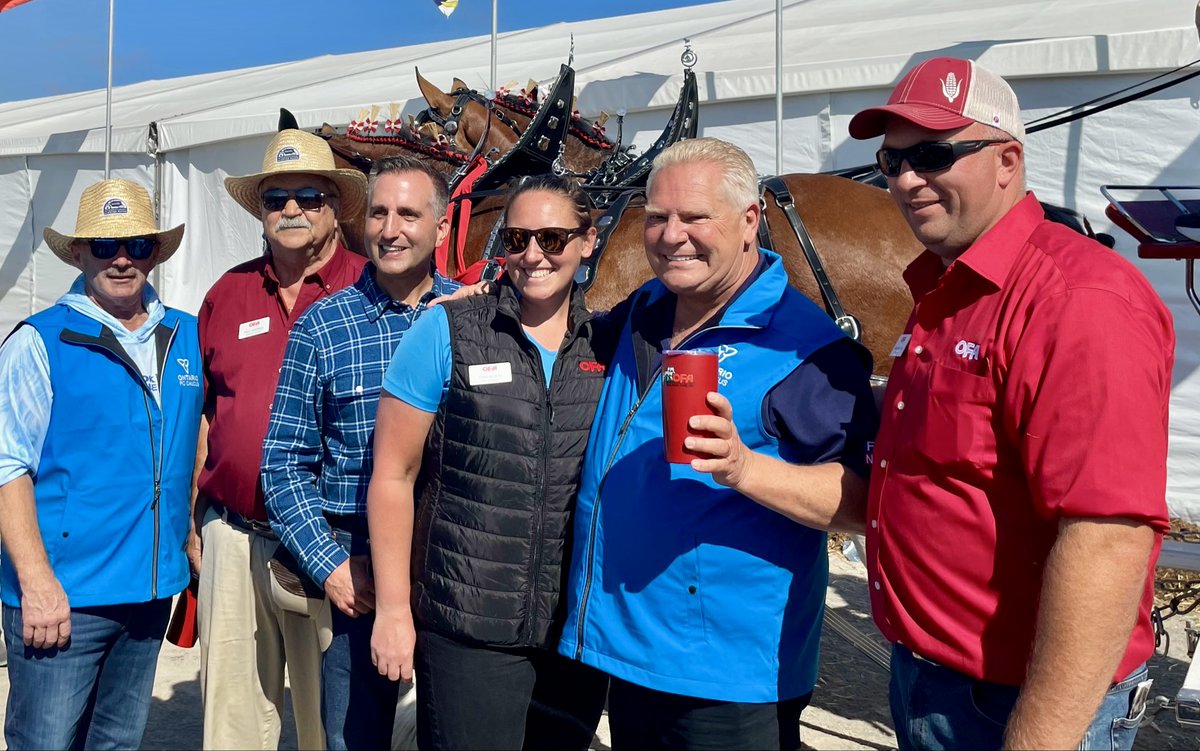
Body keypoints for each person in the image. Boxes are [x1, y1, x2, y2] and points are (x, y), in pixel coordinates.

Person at [687, 58, 1174, 751]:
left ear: (1008, 160)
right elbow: (908, 486)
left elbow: (1109, 540)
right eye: (892, 161)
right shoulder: (945, 293)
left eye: (934, 155)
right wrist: (744, 462)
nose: (908, 180)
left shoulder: (1077, 300)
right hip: (931, 681)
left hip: (1019, 706)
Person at [556, 138, 878, 751]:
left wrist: (744, 468)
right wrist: (475, 304)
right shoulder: (646, 307)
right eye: (657, 217)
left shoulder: (805, 349)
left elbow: (865, 503)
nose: (672, 235)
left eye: (695, 216)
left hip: (726, 678)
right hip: (627, 650)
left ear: (750, 219)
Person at [368, 174, 612, 751]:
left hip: (571, 634)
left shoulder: (609, 343)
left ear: (588, 241)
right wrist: (394, 610)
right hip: (468, 627)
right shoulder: (448, 329)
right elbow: (393, 476)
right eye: (518, 238)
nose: (533, 254)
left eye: (552, 238)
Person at [261, 155, 459, 750]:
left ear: (442, 227)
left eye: (408, 214)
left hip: (455, 557)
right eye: (378, 213)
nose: (389, 229)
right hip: (360, 559)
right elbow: (283, 463)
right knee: (355, 738)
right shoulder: (322, 327)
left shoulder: (475, 317)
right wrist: (330, 565)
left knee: (457, 732)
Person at [0, 179, 202, 749]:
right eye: (105, 245)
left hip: (149, 591)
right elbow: (6, 467)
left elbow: (200, 438)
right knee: (45, 742)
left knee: (116, 742)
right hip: (65, 596)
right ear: (78, 253)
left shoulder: (186, 334)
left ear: (154, 253)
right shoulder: (40, 342)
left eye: (137, 245)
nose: (121, 259)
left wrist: (190, 537)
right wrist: (37, 583)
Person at [192, 128, 368, 750]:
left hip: (331, 546)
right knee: (233, 725)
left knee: (333, 725)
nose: (291, 209)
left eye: (309, 196)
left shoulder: (373, 288)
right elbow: (207, 414)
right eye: (276, 198)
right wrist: (195, 523)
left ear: (335, 207)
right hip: (233, 534)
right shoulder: (227, 294)